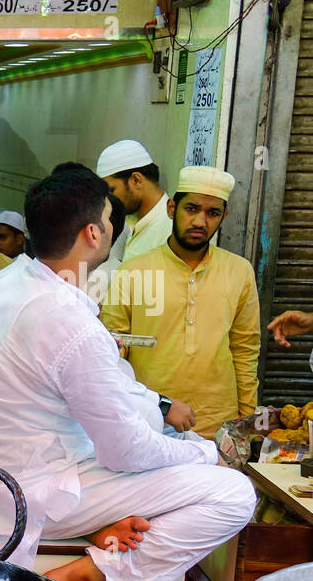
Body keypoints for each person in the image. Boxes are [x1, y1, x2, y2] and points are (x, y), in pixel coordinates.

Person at [0, 165, 254, 581]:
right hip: (39, 494)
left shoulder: (5, 286)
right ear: (93, 233)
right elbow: (125, 451)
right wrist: (205, 453)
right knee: (234, 493)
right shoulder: (70, 321)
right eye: (110, 222)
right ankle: (92, 571)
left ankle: (107, 525)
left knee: (160, 447)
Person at [102, 165, 259, 438]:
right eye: (192, 209)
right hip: (154, 421)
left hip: (218, 426)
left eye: (213, 213)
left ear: (224, 216)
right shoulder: (133, 271)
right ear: (172, 208)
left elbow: (245, 348)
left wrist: (246, 419)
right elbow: (113, 349)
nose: (200, 222)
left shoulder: (239, 271)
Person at [95, 139, 172, 275]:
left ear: (136, 180)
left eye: (112, 190)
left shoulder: (169, 229)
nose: (109, 201)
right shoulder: (132, 221)